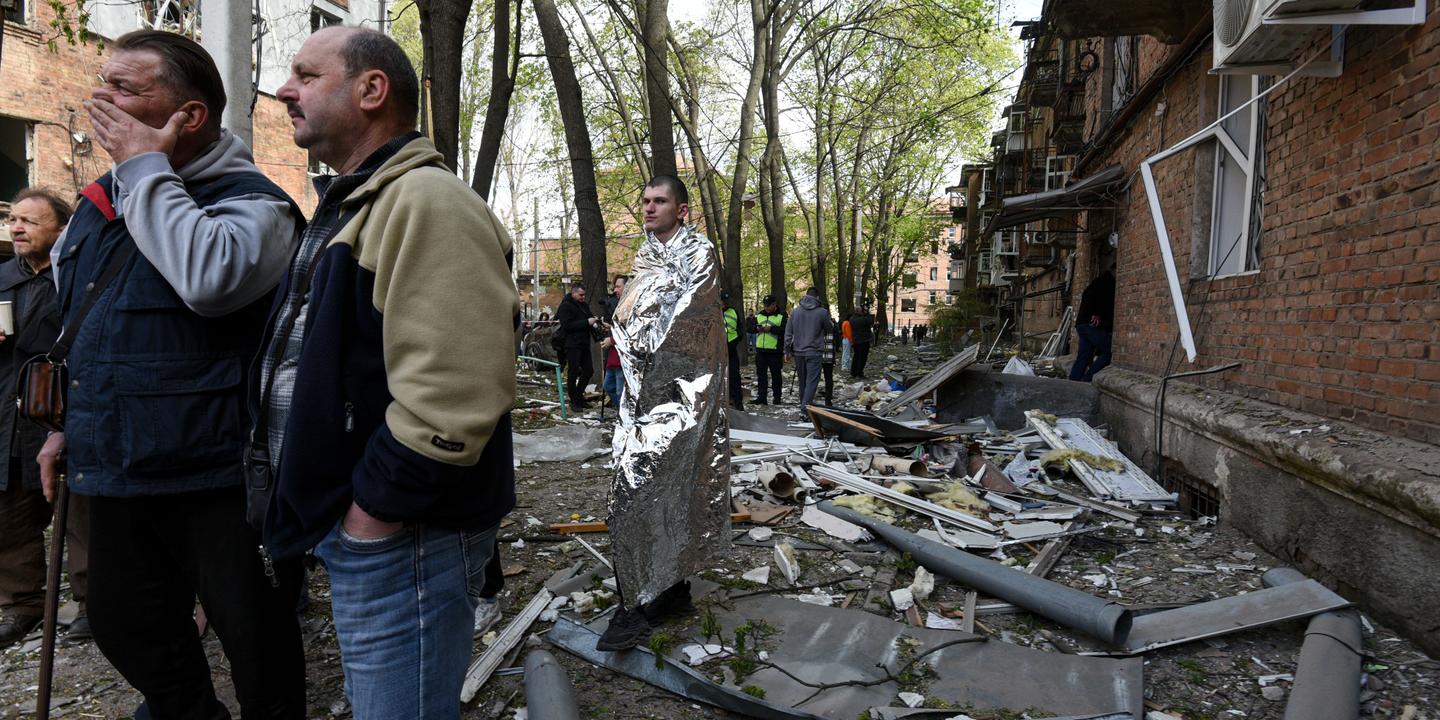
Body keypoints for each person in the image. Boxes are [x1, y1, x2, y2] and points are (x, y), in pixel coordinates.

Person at [38, 30, 306, 718]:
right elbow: (85, 330)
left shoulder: (254, 202)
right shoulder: (100, 206)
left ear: (188, 115)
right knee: (126, 622)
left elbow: (209, 279)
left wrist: (145, 168)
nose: (103, 98)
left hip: (218, 471)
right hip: (117, 461)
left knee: (257, 641)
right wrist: (63, 426)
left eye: (127, 88)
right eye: (104, 81)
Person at [260, 26, 516, 718]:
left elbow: (455, 394)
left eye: (306, 75)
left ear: (372, 90)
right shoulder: (360, 203)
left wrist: (372, 515)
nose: (286, 89)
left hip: (406, 536)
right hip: (381, 532)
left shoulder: (426, 203)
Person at [599, 174, 728, 651]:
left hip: (682, 397)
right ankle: (669, 590)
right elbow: (635, 311)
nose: (649, 208)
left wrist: (646, 352)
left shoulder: (699, 254)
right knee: (651, 490)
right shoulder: (647, 255)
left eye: (660, 201)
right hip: (642, 396)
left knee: (643, 490)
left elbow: (689, 322)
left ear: (683, 210)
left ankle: (633, 606)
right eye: (646, 201)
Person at [0, 189, 89, 648]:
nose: (17, 228)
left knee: (79, 509)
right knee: (11, 509)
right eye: (14, 220)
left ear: (60, 229)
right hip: (8, 411)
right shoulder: (1, 278)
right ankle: (22, 604)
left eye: (30, 222)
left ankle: (92, 603)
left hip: (62, 405)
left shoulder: (77, 272)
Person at [784, 287, 833, 417]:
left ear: (806, 296)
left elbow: (788, 332)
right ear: (817, 298)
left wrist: (787, 350)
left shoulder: (795, 312)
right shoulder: (822, 312)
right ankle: (804, 410)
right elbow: (829, 329)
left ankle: (804, 406)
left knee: (803, 382)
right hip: (814, 351)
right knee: (812, 381)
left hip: (798, 352)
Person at [556, 284, 600, 410]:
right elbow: (567, 325)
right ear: (573, 293)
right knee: (573, 372)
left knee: (588, 370)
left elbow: (589, 318)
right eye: (581, 295)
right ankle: (574, 400)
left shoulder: (584, 306)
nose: (583, 297)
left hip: (584, 343)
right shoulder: (565, 306)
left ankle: (578, 396)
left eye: (584, 295)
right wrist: (586, 322)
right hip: (572, 344)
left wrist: (595, 322)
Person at [1070, 265, 1116, 383]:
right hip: (1090, 324)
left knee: (1084, 355)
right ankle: (1087, 379)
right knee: (1108, 351)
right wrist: (1095, 313)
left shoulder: (1101, 281)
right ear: (1114, 271)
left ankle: (1073, 381)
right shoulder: (1105, 282)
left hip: (1083, 324)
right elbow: (1090, 296)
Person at [750, 295, 786, 404]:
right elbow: (750, 328)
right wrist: (757, 329)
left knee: (776, 375)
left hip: (775, 351)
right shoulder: (760, 314)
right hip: (761, 350)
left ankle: (777, 397)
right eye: (765, 305)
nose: (766, 308)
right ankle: (762, 397)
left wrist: (771, 329)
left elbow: (785, 330)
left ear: (774, 304)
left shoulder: (782, 315)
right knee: (761, 375)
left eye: (769, 306)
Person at [601, 276, 626, 409]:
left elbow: (630, 332)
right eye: (615, 286)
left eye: (618, 286)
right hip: (613, 357)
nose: (615, 289)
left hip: (622, 358)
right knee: (608, 387)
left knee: (620, 391)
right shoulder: (619, 305)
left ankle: (624, 417)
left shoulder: (630, 307)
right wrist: (610, 328)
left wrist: (611, 339)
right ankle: (621, 413)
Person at [722, 292, 743, 410]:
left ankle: (738, 403)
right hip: (718, 349)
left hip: (732, 347)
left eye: (725, 302)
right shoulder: (713, 312)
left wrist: (738, 338)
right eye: (722, 302)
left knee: (734, 376)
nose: (724, 305)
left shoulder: (733, 311)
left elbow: (739, 327)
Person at [849, 300, 875, 378]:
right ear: (858, 311)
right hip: (863, 340)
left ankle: (853, 372)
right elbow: (870, 321)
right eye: (861, 311)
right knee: (862, 357)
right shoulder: (861, 319)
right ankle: (859, 372)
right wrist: (867, 312)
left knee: (856, 357)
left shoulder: (852, 318)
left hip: (856, 341)